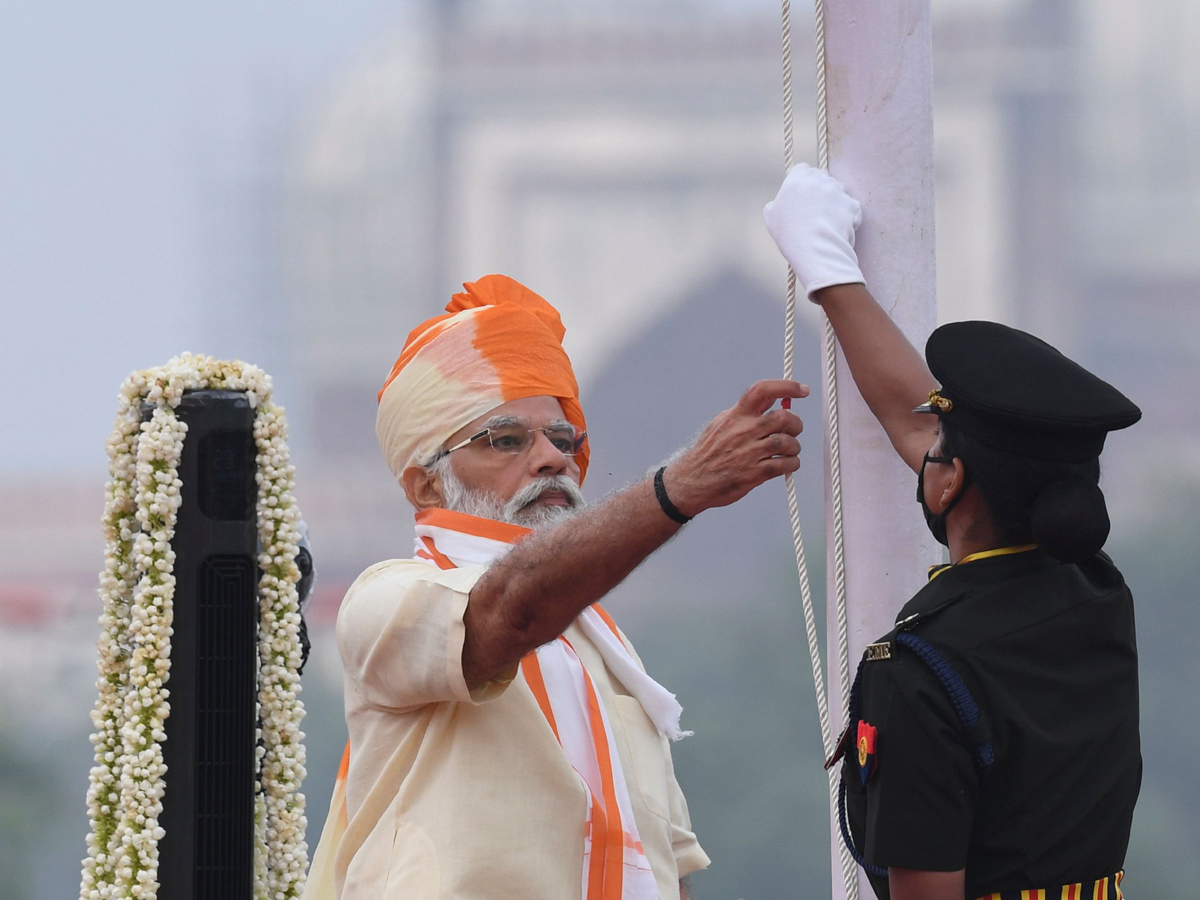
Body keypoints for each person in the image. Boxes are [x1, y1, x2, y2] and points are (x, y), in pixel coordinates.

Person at [306, 274, 808, 900]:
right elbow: (509, 612)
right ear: (426, 485)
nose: (552, 459)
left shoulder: (605, 649)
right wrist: (676, 489)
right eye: (507, 440)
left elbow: (665, 869)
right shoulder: (385, 601)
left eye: (563, 438)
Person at [763, 164, 1141, 900]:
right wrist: (830, 273)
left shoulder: (920, 674)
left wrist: (823, 263)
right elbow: (925, 425)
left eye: (940, 448)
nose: (925, 445)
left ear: (949, 482)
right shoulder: (1095, 593)